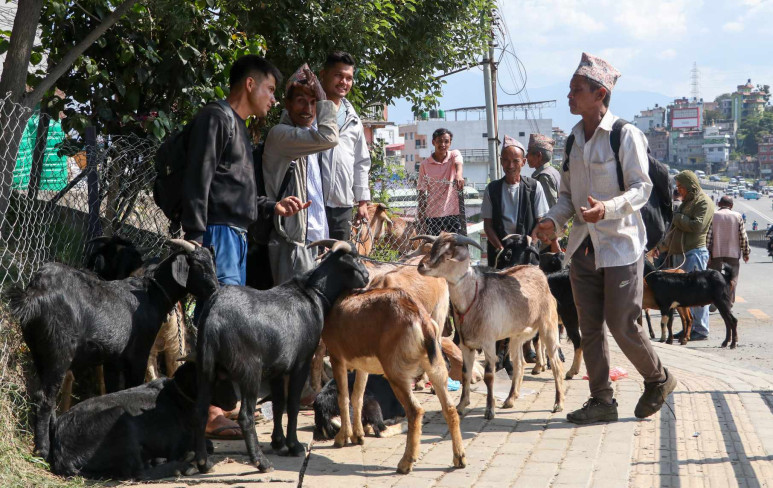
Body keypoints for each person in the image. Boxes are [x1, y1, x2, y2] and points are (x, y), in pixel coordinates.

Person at [533, 52, 675, 424]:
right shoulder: (572, 142)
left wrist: (608, 209)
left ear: (600, 94)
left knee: (622, 323)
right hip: (582, 247)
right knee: (589, 327)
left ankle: (658, 378)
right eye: (569, 89)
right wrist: (551, 221)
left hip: (621, 245)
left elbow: (641, 188)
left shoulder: (624, 135)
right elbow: (567, 198)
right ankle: (602, 400)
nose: (569, 96)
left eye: (576, 90)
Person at [182, 55, 307, 440]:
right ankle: (208, 413)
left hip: (234, 234)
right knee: (214, 323)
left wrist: (273, 206)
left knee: (228, 327)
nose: (273, 98)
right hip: (216, 236)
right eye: (270, 89)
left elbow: (238, 196)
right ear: (250, 85)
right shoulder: (216, 118)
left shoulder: (239, 128)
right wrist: (196, 238)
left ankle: (220, 407)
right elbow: (198, 179)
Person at [263, 65, 339, 285]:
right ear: (287, 104)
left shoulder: (306, 135)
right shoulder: (281, 135)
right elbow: (330, 138)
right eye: (301, 101)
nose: (308, 108)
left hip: (316, 242)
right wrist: (325, 97)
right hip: (293, 244)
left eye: (314, 102)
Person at [318, 52, 372, 241]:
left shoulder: (353, 119)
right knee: (310, 262)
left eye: (349, 78)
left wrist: (362, 202)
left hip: (342, 205)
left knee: (339, 262)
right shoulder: (307, 110)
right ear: (323, 74)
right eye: (339, 75)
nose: (344, 82)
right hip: (311, 202)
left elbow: (361, 162)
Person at [659, 171, 714, 340]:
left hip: (694, 253)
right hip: (680, 253)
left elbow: (697, 226)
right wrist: (661, 247)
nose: (679, 190)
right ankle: (688, 328)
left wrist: (677, 217)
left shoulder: (704, 202)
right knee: (683, 296)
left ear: (691, 186)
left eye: (682, 187)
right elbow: (675, 230)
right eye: (678, 187)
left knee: (697, 293)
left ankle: (701, 329)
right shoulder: (687, 202)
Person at [482, 135, 549, 266]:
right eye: (506, 160)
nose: (510, 165)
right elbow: (488, 225)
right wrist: (500, 249)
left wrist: (531, 245)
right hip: (500, 253)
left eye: (515, 161)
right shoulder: (492, 189)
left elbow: (540, 222)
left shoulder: (534, 187)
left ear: (523, 162)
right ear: (501, 161)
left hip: (527, 252)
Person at [417, 128, 465, 235]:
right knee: (434, 247)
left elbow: (459, 163)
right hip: (433, 214)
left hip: (452, 212)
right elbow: (421, 191)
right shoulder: (425, 165)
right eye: (439, 141)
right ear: (433, 142)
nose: (443, 144)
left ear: (450, 143)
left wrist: (458, 175)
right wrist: (421, 216)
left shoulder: (453, 155)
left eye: (446, 141)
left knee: (452, 246)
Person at [706, 195, 749, 305]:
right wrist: (745, 252)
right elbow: (743, 237)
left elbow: (708, 237)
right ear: (732, 205)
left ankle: (715, 302)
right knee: (732, 279)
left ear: (719, 204)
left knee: (715, 278)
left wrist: (707, 252)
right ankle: (729, 302)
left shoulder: (713, 215)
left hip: (716, 254)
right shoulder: (737, 216)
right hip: (733, 254)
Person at [526, 133, 561, 208]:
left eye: (528, 152)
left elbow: (550, 208)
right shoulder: (553, 171)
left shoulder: (544, 177)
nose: (526, 157)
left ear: (539, 155)